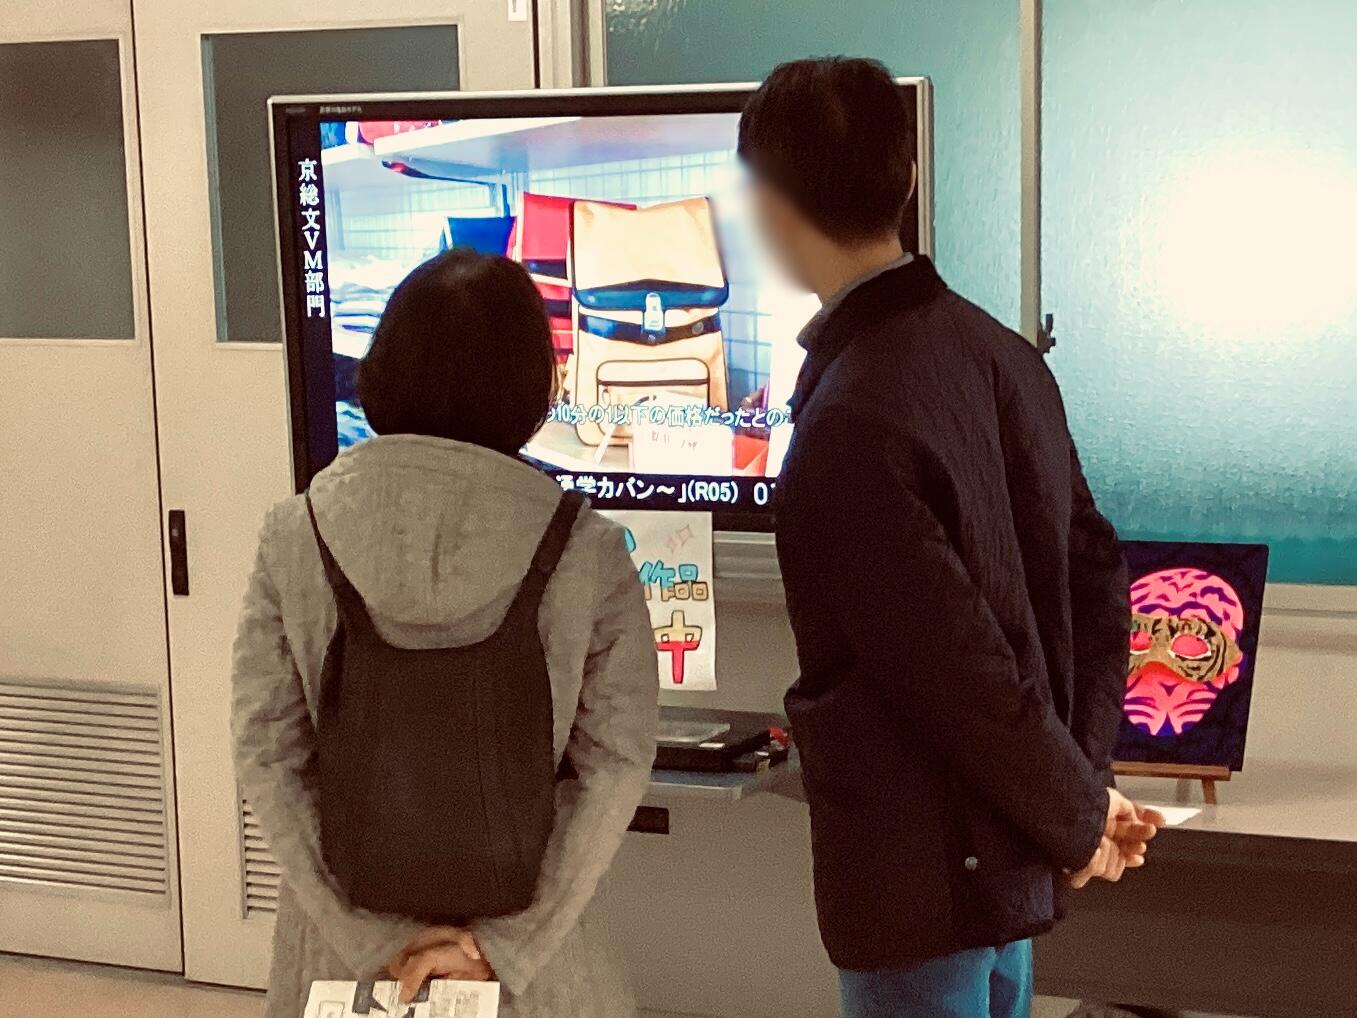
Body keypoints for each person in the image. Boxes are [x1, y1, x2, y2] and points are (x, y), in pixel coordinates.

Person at [739, 57, 1162, 1018]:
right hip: (1005, 856)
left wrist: (1077, 811)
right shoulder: (1005, 355)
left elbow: (953, 670)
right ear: (905, 181)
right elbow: (1096, 585)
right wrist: (1078, 794)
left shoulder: (849, 417)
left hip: (919, 878)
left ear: (767, 203)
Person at [231, 249, 658, 1018]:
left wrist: (373, 939)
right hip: (535, 969)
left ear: (382, 369)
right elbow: (614, 763)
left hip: (343, 963)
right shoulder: (586, 549)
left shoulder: (295, 534)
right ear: (532, 386)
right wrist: (502, 948)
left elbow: (266, 753)